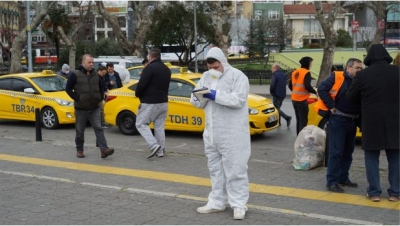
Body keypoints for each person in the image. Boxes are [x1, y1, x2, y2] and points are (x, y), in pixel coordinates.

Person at [190, 47, 251, 220]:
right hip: (211, 134)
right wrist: (199, 97)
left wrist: (215, 95)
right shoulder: (206, 77)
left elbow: (238, 100)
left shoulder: (237, 76)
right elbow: (195, 101)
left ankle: (238, 204)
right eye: (210, 68)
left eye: (216, 67)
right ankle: (217, 202)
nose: (213, 71)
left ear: (223, 63)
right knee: (215, 170)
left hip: (233, 134)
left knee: (236, 169)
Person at [347, 44, 399, 202]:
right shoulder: (398, 72)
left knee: (371, 157)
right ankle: (395, 193)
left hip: (371, 122)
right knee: (395, 158)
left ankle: (375, 192)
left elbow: (351, 96)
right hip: (395, 122)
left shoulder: (363, 75)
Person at [315, 58, 362, 193]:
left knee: (348, 151)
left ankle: (343, 178)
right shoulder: (337, 76)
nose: (360, 70)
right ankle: (332, 182)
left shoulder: (359, 80)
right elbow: (322, 89)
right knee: (336, 152)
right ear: (348, 68)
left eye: (361, 68)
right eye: (357, 68)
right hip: (338, 119)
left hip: (352, 120)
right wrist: (331, 106)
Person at [66, 54, 115, 159]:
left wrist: (100, 97)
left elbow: (102, 87)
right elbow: (68, 89)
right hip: (81, 108)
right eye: (89, 62)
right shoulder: (75, 74)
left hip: (94, 107)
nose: (91, 64)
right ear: (83, 63)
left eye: (92, 62)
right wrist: (78, 98)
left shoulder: (96, 75)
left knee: (98, 127)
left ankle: (104, 150)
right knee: (80, 130)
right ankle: (80, 150)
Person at [135, 48, 171, 158]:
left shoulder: (149, 68)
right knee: (159, 127)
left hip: (150, 102)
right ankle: (160, 151)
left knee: (140, 124)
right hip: (163, 102)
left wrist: (137, 94)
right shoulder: (167, 69)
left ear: (150, 57)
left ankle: (153, 145)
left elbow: (142, 85)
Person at [288, 56, 317, 135]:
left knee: (299, 120)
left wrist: (296, 92)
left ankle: (298, 137)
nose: (311, 65)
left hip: (294, 99)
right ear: (307, 63)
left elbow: (290, 85)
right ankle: (301, 140)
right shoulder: (306, 72)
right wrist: (315, 92)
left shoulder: (295, 72)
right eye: (311, 63)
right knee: (303, 121)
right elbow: (307, 86)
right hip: (302, 100)